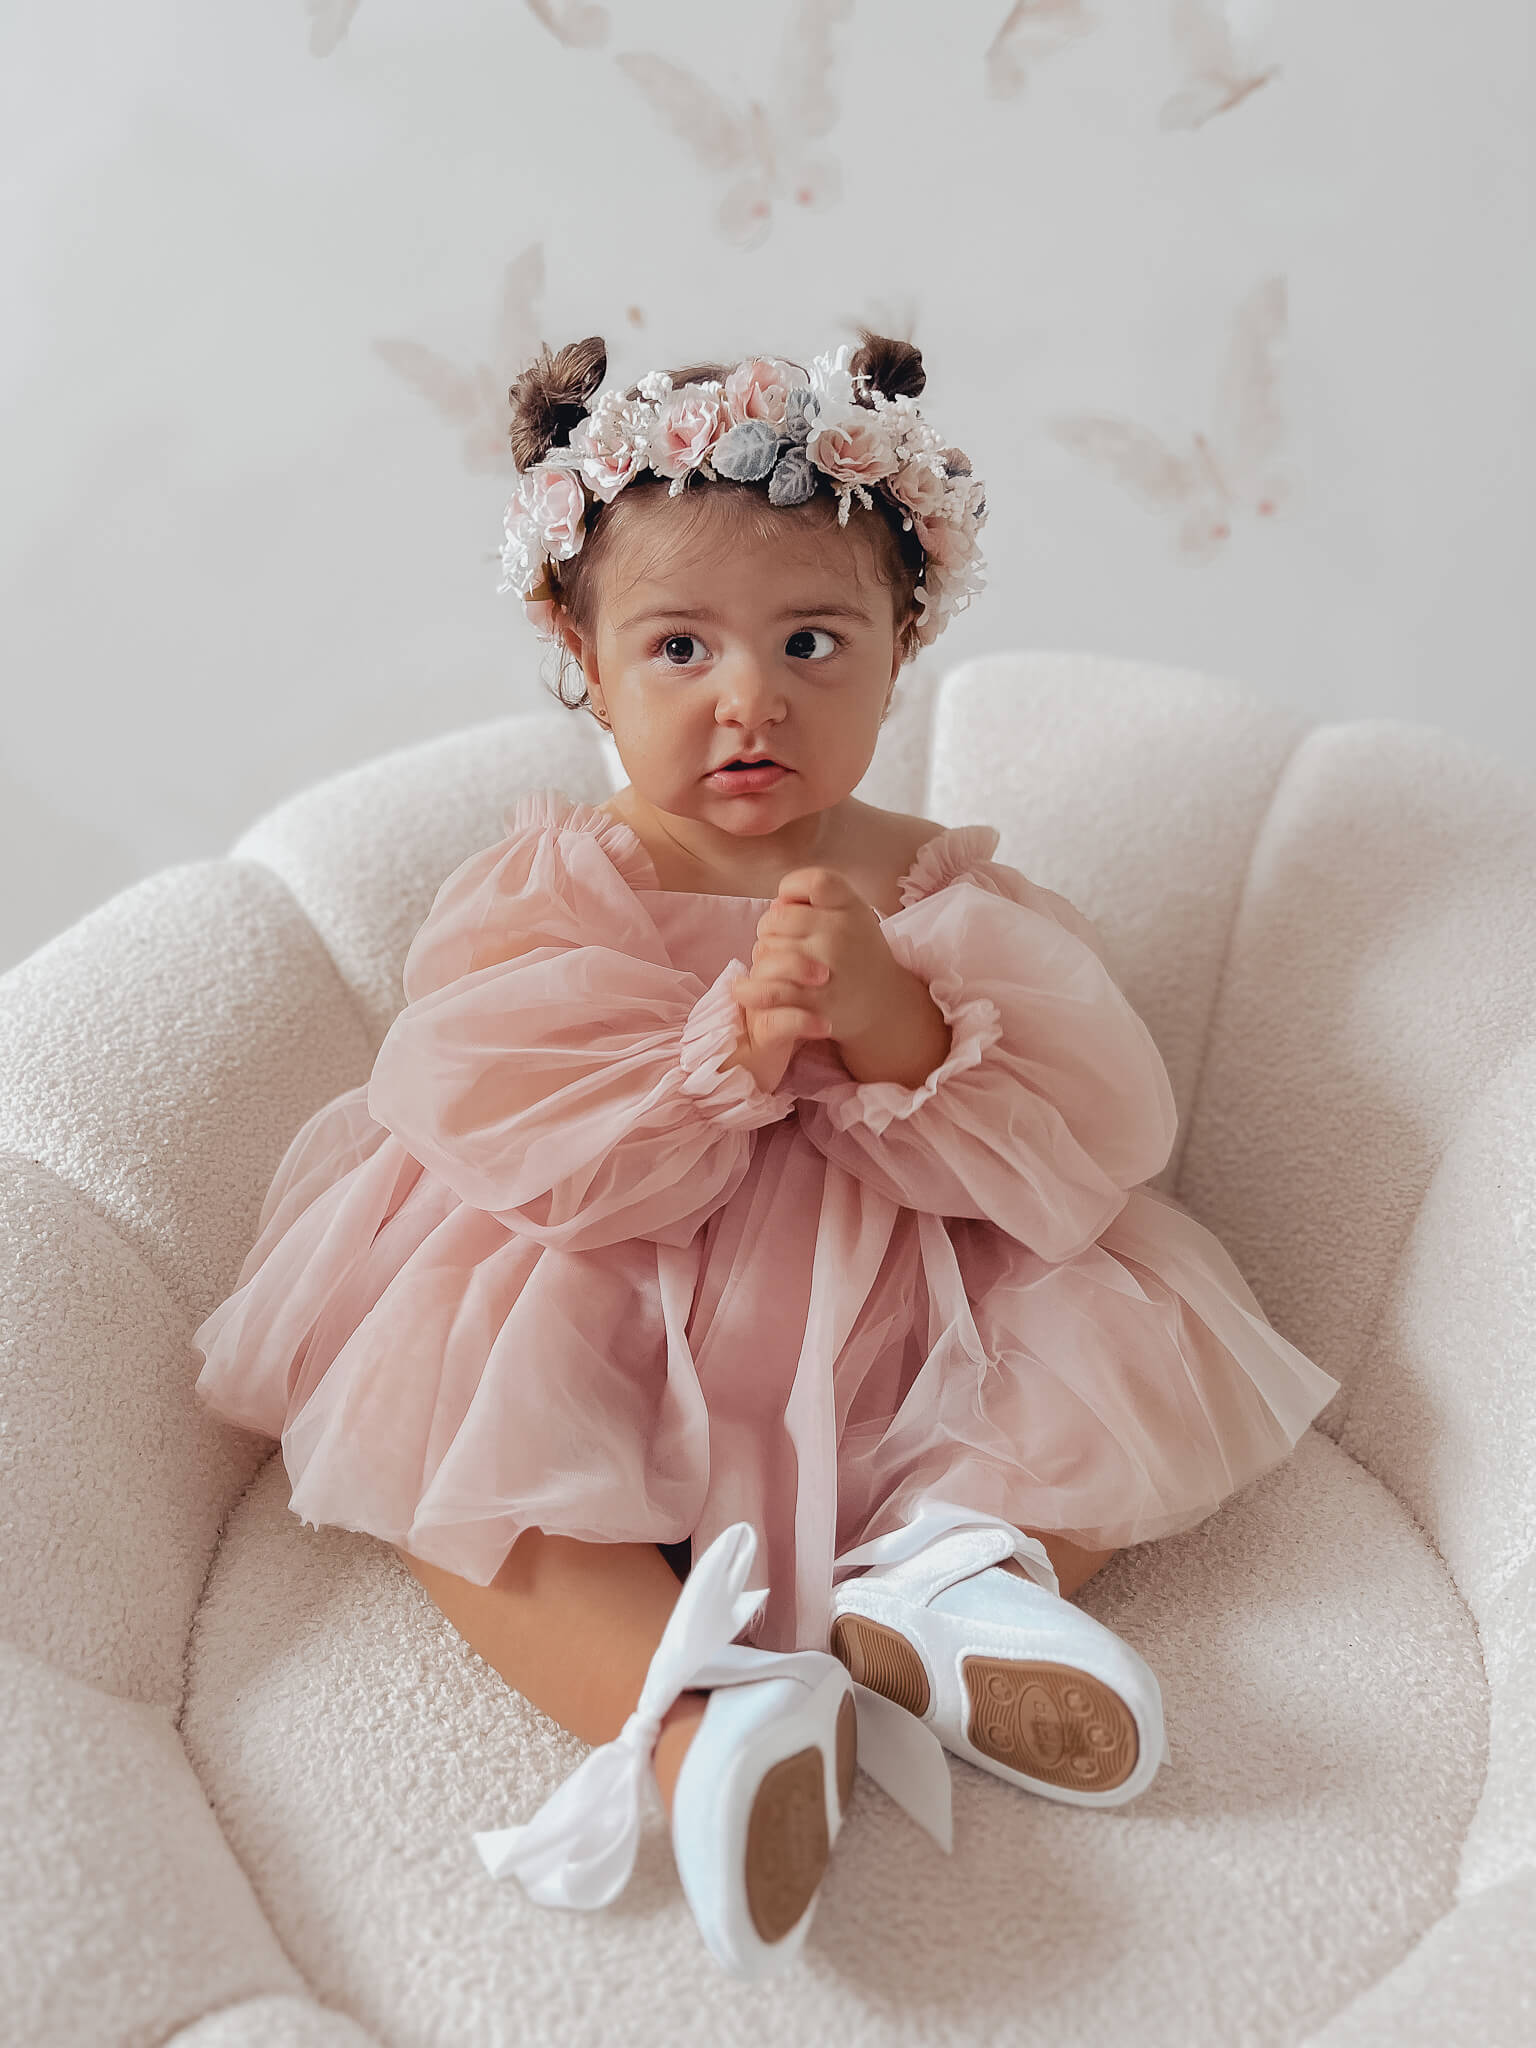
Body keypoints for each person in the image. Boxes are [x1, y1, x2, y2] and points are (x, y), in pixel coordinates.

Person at [191, 331, 1342, 1978]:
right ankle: (702, 1716)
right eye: (681, 648)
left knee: (1097, 1349)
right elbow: (483, 1089)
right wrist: (711, 1055)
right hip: (610, 1264)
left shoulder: (941, 881)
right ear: (581, 659)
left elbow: (1081, 1140)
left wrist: (893, 1017)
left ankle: (957, 1582)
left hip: (910, 1283)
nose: (753, 698)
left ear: (900, 654)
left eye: (815, 641)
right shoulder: (562, 881)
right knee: (464, 1460)